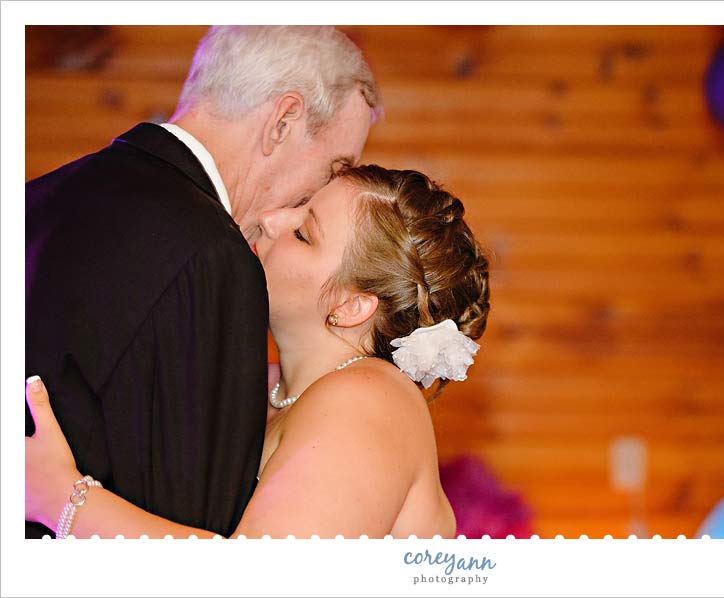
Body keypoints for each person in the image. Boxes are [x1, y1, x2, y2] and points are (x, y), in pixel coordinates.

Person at [25, 26, 381, 538]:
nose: (318, 195)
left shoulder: (36, 199)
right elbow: (195, 525)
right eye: (334, 168)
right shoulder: (212, 256)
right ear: (282, 121)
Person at [26, 165, 491, 538]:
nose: (271, 220)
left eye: (304, 233)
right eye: (297, 206)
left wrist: (60, 497)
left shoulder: (372, 398)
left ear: (350, 306)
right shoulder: (269, 385)